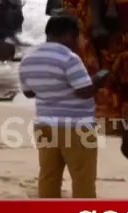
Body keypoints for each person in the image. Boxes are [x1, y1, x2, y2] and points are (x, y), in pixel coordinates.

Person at [19, 15, 111, 198]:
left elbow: (28, 93)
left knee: (49, 175)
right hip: (76, 126)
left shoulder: (28, 59)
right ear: (70, 35)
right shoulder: (69, 58)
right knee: (82, 178)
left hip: (44, 124)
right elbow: (84, 91)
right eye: (77, 37)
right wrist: (99, 78)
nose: (78, 42)